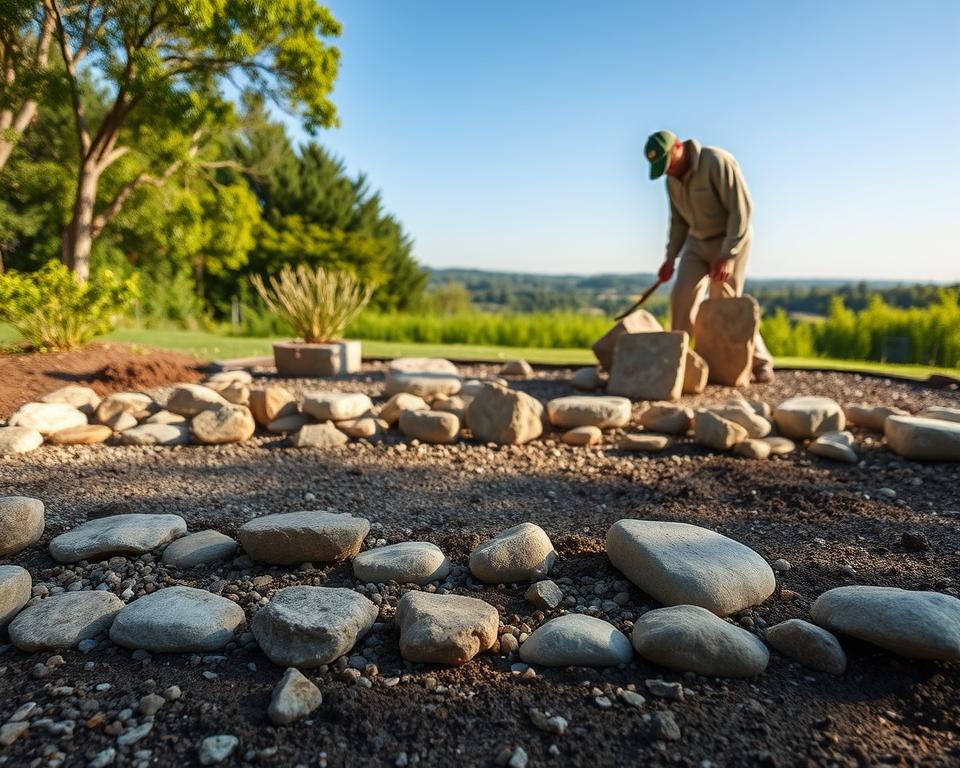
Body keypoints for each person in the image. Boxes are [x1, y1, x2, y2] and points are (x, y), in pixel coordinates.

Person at [644, 129, 774, 382]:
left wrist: (728, 255)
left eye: (667, 164)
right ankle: (680, 364)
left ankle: (759, 362)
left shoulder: (715, 161)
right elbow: (678, 222)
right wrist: (670, 258)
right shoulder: (671, 181)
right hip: (696, 243)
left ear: (678, 147)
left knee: (723, 301)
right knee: (681, 297)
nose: (667, 172)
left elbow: (741, 210)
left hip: (729, 239)